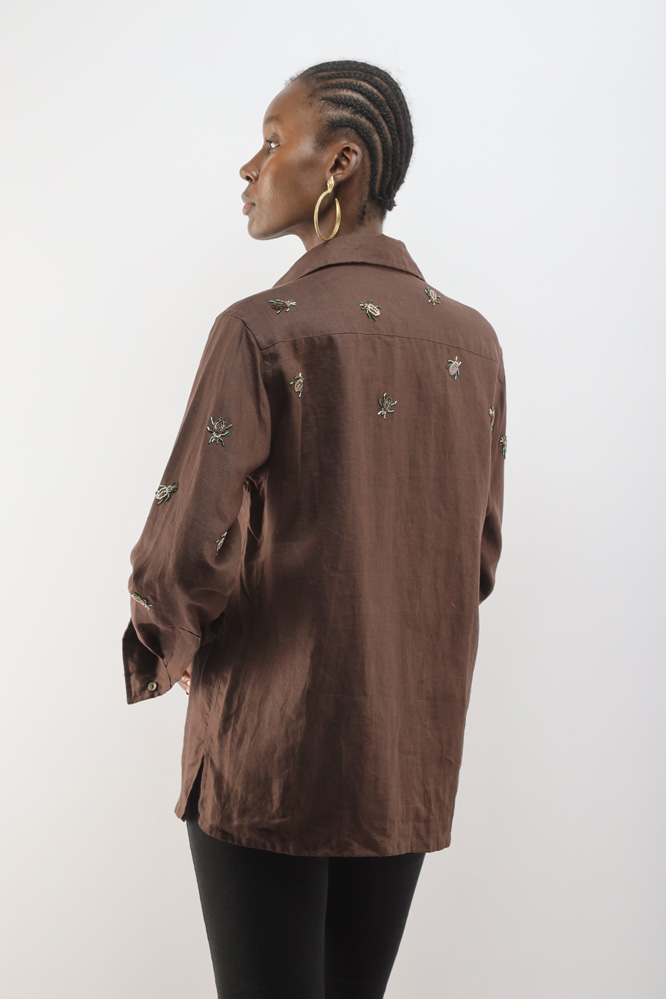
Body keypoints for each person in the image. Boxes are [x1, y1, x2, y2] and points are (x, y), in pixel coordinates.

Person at [122, 58, 507, 999]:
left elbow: (178, 552)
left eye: (270, 141)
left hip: (271, 745)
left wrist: (165, 644)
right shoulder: (474, 342)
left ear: (341, 162)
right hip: (403, 752)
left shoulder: (261, 329)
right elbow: (478, 555)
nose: (249, 167)